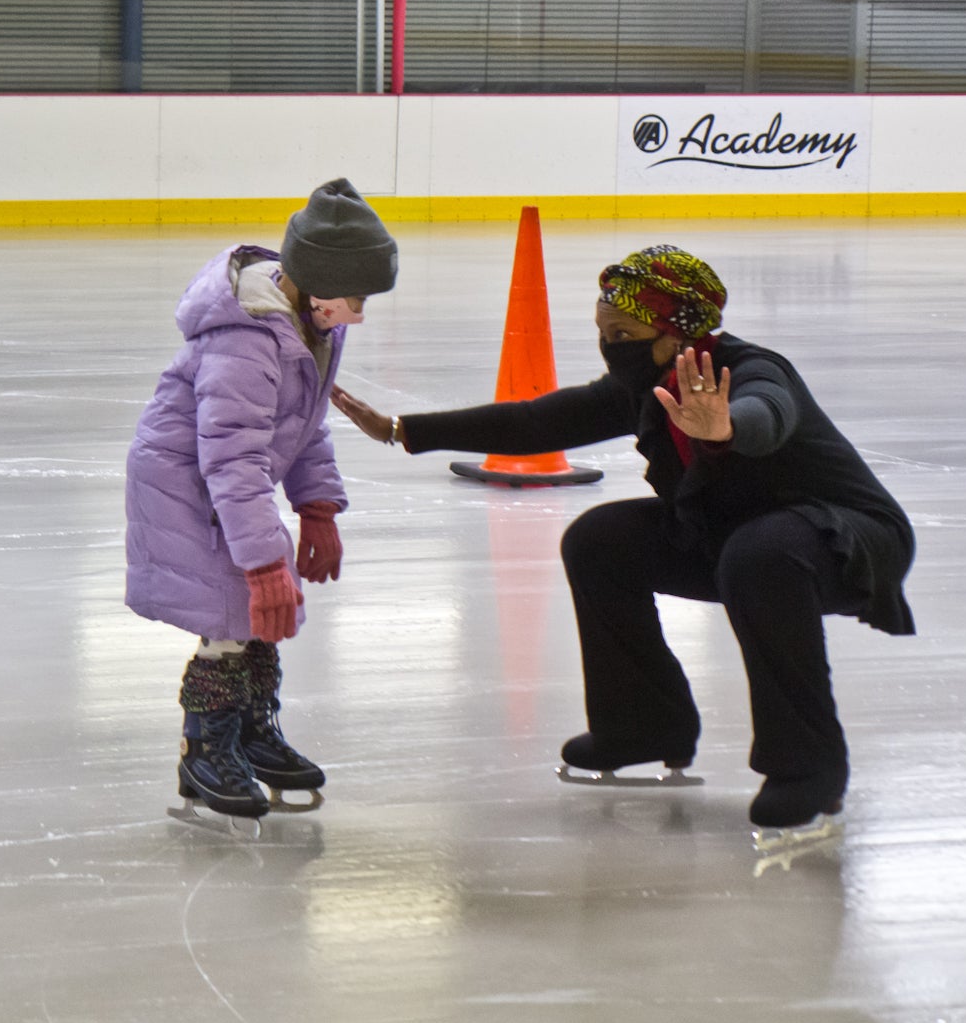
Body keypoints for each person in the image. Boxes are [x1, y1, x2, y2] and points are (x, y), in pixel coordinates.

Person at [330, 245, 915, 839]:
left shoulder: (750, 369)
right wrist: (405, 430)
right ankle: (642, 724)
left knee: (759, 555)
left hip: (845, 536)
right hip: (735, 535)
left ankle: (808, 766)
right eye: (603, 330)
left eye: (624, 331)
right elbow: (537, 421)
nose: (610, 345)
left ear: (674, 331)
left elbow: (770, 412)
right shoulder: (646, 382)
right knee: (600, 540)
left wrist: (728, 426)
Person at [125, 179, 399, 825]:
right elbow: (231, 453)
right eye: (356, 297)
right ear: (320, 279)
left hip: (225, 481)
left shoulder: (313, 323)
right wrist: (264, 560)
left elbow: (302, 426)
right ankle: (205, 746)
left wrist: (318, 506)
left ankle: (250, 732)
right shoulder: (247, 339)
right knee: (230, 611)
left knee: (258, 615)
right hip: (185, 482)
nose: (359, 313)